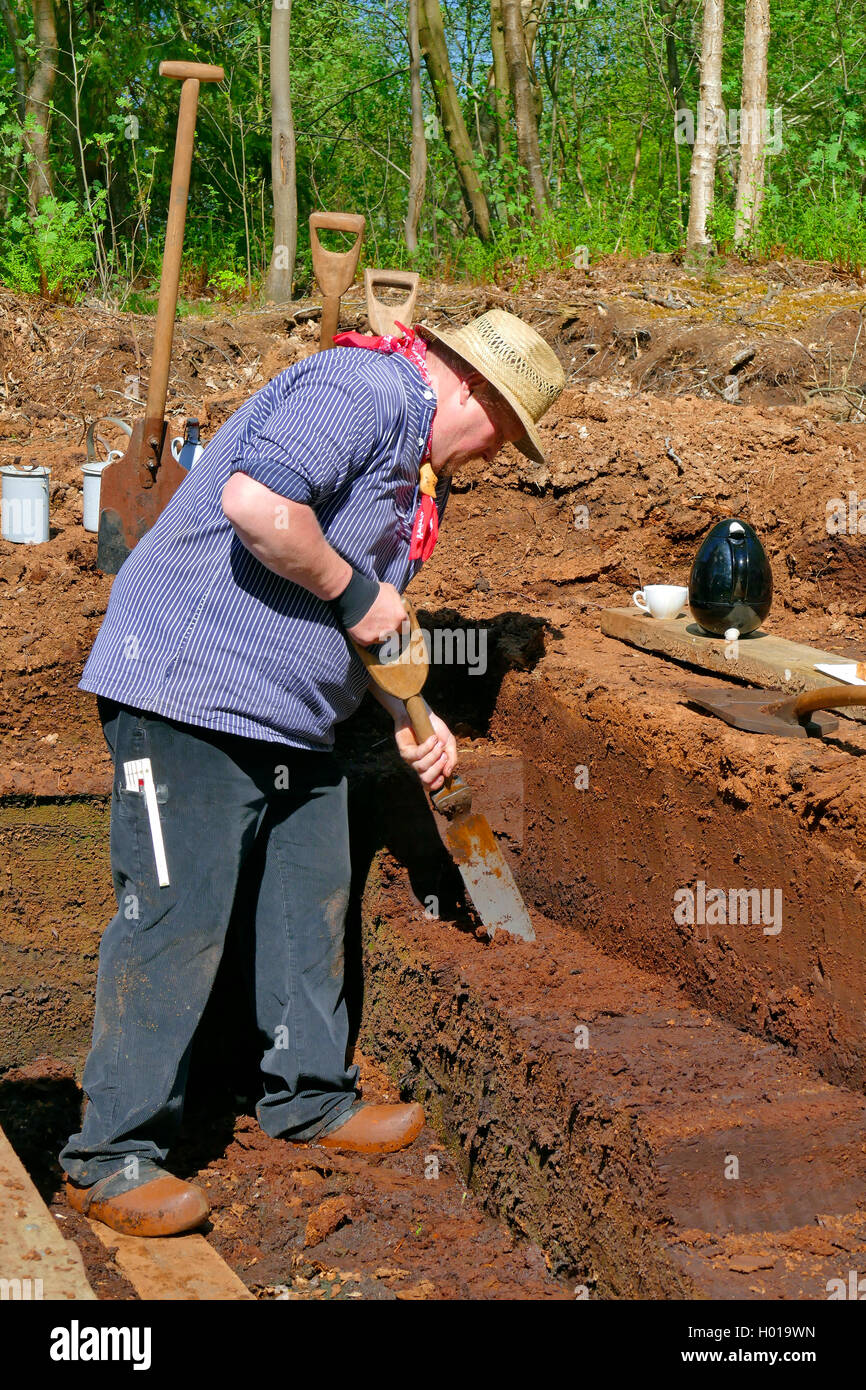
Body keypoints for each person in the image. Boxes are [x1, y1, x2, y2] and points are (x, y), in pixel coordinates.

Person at [60, 309, 565, 1236]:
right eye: (505, 433)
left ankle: (310, 1097)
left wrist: (412, 722)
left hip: (293, 719)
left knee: (311, 896)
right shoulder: (360, 392)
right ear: (473, 392)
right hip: (187, 691)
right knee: (174, 913)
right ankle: (111, 1155)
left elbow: (378, 624)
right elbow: (258, 509)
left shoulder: (420, 475)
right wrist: (356, 590)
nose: (497, 458)